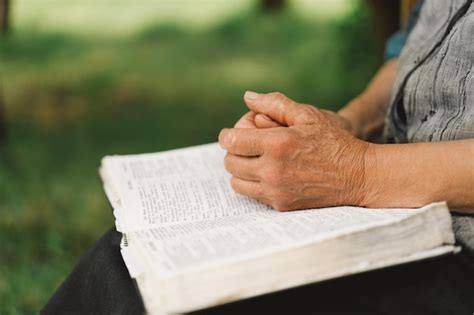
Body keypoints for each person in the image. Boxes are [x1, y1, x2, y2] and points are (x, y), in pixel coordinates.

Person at [42, 0, 474, 314]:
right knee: (127, 265)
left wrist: (356, 171)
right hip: (398, 207)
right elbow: (415, 50)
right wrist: (347, 124)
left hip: (457, 253)